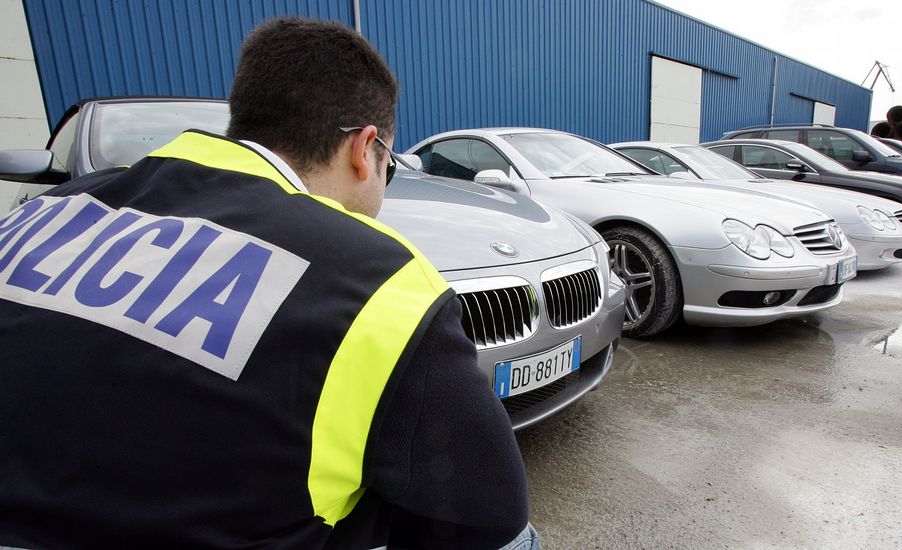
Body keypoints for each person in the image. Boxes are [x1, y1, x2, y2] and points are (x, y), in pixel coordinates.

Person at [0, 18, 537, 549]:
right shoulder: (378, 282)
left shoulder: (40, 213)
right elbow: (488, 519)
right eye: (388, 168)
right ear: (364, 148)